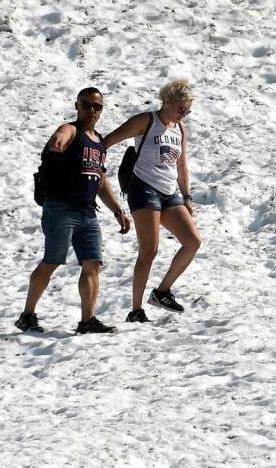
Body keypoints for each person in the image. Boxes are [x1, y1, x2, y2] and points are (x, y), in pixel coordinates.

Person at [16, 88, 132, 334]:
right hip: (61, 209)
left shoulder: (99, 142)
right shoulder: (72, 130)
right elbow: (62, 133)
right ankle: (27, 315)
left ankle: (87, 321)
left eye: (97, 107)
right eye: (87, 105)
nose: (92, 110)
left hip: (88, 214)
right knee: (52, 261)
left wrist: (117, 210)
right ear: (77, 106)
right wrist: (57, 139)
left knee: (92, 264)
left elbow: (100, 180)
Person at [103, 78, 202, 322]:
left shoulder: (179, 129)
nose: (184, 114)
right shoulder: (146, 121)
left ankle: (162, 291)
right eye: (181, 109)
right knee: (149, 250)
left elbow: (181, 164)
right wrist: (93, 165)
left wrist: (187, 196)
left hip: (169, 192)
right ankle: (136, 310)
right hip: (143, 188)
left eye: (188, 111)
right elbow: (108, 141)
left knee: (192, 241)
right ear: (167, 101)